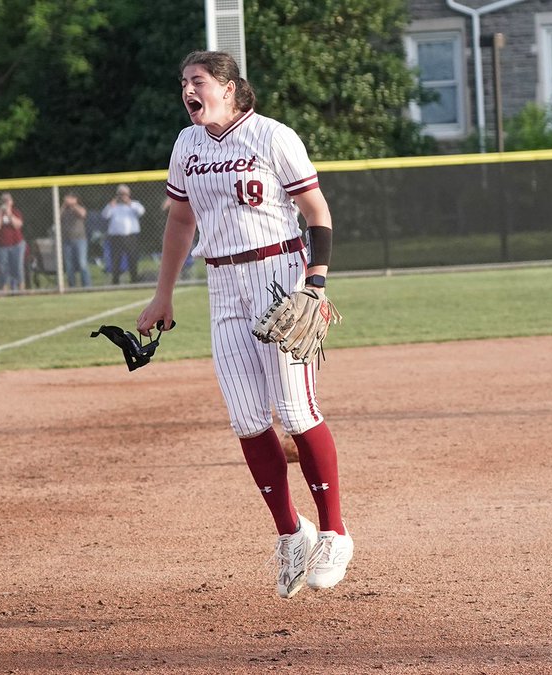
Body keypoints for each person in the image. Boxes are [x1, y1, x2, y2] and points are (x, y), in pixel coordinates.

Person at [136, 50, 352, 599]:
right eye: (183, 81)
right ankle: (291, 534)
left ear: (228, 88)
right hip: (222, 283)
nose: (188, 89)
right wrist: (163, 292)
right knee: (248, 419)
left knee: (296, 408)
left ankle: (335, 533)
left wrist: (316, 282)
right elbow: (182, 220)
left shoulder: (273, 136)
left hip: (278, 274)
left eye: (198, 81)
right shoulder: (187, 146)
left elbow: (317, 213)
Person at [101, 184, 145, 284]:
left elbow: (141, 212)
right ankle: (115, 280)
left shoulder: (134, 204)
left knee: (132, 257)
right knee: (116, 259)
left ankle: (134, 279)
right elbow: (105, 215)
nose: (122, 196)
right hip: (116, 236)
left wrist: (129, 203)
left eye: (124, 194)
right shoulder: (113, 206)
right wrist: (111, 205)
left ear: (129, 194)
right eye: (120, 194)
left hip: (131, 236)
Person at [0, 192, 25, 291]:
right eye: (3, 200)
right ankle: (4, 289)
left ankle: (21, 289)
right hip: (0, 246)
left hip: (16, 244)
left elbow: (18, 225)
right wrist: (0, 214)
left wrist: (9, 214)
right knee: (2, 269)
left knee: (17, 267)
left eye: (7, 200)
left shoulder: (16, 212)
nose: (5, 202)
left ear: (12, 202)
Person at [60, 193, 91, 287]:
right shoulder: (64, 209)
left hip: (80, 240)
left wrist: (73, 205)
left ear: (76, 199)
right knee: (69, 266)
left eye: (71, 198)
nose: (68, 200)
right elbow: (57, 217)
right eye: (67, 198)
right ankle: (72, 286)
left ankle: (87, 286)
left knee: (82, 264)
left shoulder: (79, 207)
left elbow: (83, 214)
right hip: (67, 241)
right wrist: (64, 205)